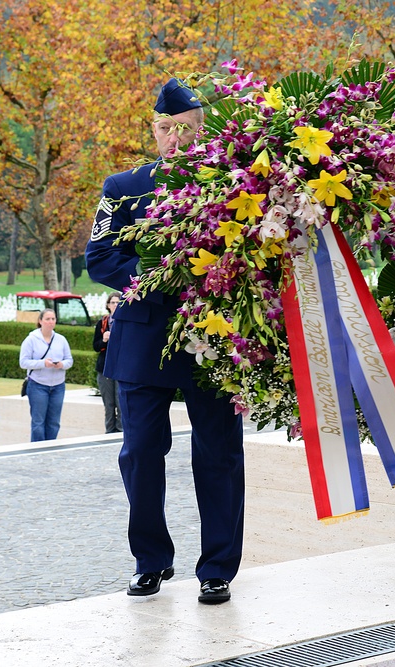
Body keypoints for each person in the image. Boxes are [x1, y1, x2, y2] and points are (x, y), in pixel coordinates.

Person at [85, 78, 244, 603]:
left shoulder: (235, 184)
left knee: (218, 454)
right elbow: (100, 259)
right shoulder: (122, 187)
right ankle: (150, 560)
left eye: (185, 129)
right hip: (143, 338)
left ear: (204, 130)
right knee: (140, 454)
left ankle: (218, 567)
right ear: (152, 131)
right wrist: (164, 274)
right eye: (165, 129)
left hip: (212, 337)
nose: (175, 139)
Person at [19, 309, 74, 442]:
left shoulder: (61, 339)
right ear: (40, 321)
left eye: (53, 319)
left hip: (58, 386)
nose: (50, 322)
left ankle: (50, 449)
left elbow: (69, 360)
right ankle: (38, 452)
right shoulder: (31, 340)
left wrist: (61, 364)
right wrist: (43, 363)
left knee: (54, 422)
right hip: (38, 385)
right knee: (38, 422)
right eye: (47, 319)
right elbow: (23, 362)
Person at [93, 292, 122, 433]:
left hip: (121, 367)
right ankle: (109, 431)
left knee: (121, 402)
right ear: (108, 305)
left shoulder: (125, 322)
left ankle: (122, 431)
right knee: (108, 403)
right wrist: (104, 340)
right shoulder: (102, 323)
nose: (115, 305)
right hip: (104, 367)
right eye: (113, 303)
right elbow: (95, 346)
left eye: (118, 302)